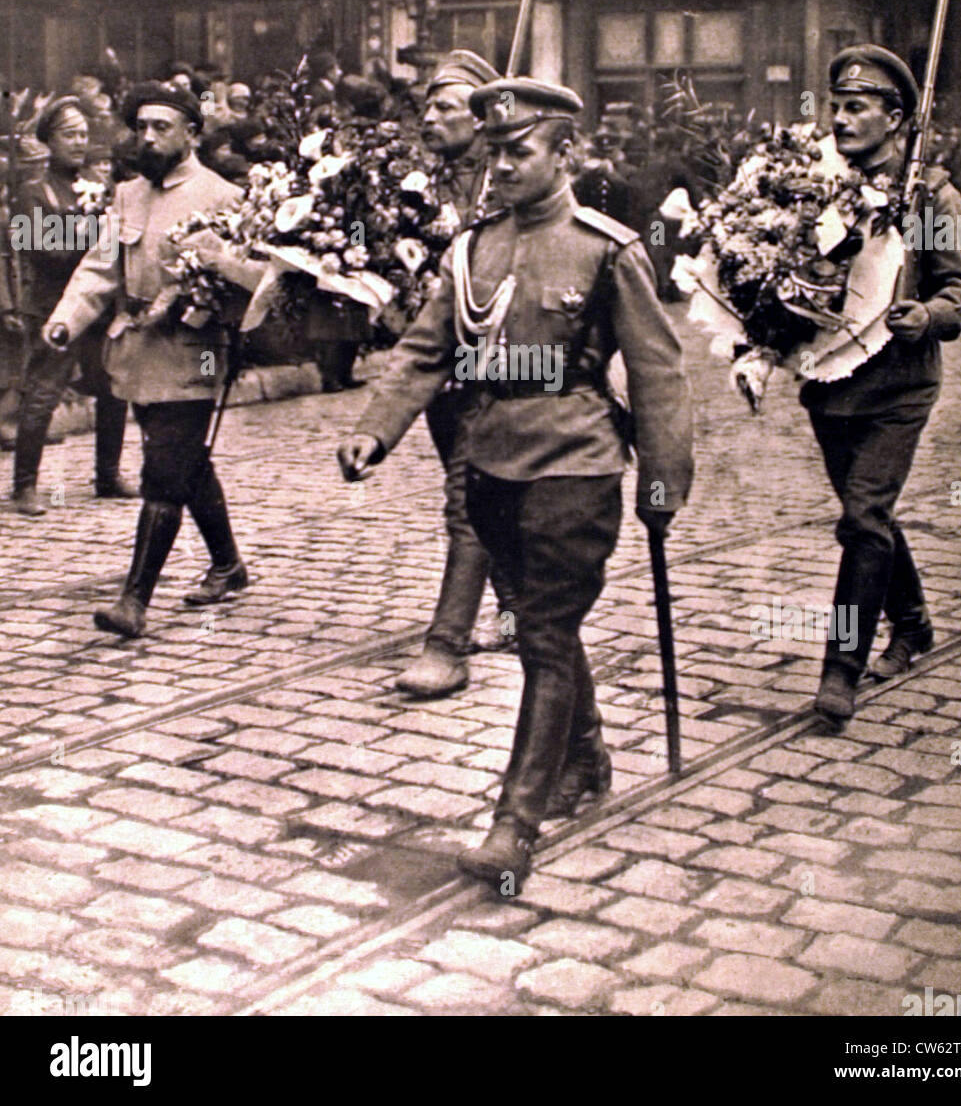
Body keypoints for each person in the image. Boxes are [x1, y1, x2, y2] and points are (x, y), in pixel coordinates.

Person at [339, 77, 694, 889]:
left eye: (518, 152)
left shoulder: (608, 248)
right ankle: (589, 758)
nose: (498, 167)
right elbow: (429, 349)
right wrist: (375, 429)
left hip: (576, 461)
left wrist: (664, 480)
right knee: (548, 625)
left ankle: (514, 823)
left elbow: (657, 373)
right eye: (492, 151)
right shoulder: (475, 246)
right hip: (489, 460)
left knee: (541, 632)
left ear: (564, 153)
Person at [42, 85, 258, 637]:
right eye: (142, 126)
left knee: (163, 470)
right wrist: (68, 319)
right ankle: (229, 565)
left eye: (163, 127)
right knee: (186, 460)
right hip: (136, 349)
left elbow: (249, 280)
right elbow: (99, 268)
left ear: (192, 133)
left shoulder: (225, 196)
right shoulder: (126, 195)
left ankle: (133, 602)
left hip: (195, 352)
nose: (149, 137)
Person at [807, 47, 961, 724]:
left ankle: (839, 669)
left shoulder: (931, 197)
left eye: (856, 107)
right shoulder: (819, 186)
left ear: (895, 116)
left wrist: (927, 316)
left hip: (899, 385)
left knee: (861, 519)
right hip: (830, 382)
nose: (840, 119)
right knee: (867, 514)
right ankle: (911, 625)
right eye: (835, 106)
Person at [391, 49, 515, 700]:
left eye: (444, 105)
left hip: (502, 365)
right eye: (426, 106)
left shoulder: (509, 174)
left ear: (481, 112)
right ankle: (514, 604)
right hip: (442, 365)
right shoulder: (414, 185)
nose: (430, 117)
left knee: (465, 498)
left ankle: (446, 644)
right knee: (471, 486)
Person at [8, 97, 135, 515]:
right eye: (69, 134)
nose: (79, 142)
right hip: (51, 307)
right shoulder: (32, 192)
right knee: (43, 393)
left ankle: (107, 474)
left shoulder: (97, 189)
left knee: (113, 387)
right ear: (49, 141)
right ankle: (24, 486)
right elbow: (37, 249)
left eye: (83, 133)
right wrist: (92, 232)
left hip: (96, 306)